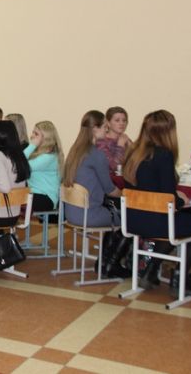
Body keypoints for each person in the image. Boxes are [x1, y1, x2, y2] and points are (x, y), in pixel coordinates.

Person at [123, 110, 191, 296]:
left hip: (133, 220)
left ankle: (150, 271)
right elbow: (169, 198)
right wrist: (182, 200)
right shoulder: (164, 155)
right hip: (157, 222)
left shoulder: (132, 153)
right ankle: (179, 277)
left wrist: (173, 197)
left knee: (171, 225)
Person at [63, 110, 129, 278]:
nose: (107, 131)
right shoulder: (97, 154)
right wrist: (126, 195)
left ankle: (104, 262)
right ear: (95, 129)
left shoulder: (75, 151)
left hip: (71, 212)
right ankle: (110, 264)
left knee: (115, 214)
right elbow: (110, 189)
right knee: (130, 219)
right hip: (89, 214)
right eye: (105, 127)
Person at [23, 121, 63, 212]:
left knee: (12, 200)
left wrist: (32, 145)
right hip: (34, 194)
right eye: (33, 132)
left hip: (46, 198)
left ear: (46, 138)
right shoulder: (39, 154)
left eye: (36, 134)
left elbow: (20, 165)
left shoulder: (49, 157)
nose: (32, 136)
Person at [96, 106, 132, 174]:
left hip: (126, 179)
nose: (121, 123)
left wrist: (132, 148)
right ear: (108, 123)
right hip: (109, 179)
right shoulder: (101, 142)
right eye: (117, 120)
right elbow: (113, 167)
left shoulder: (126, 139)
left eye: (124, 120)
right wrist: (120, 146)